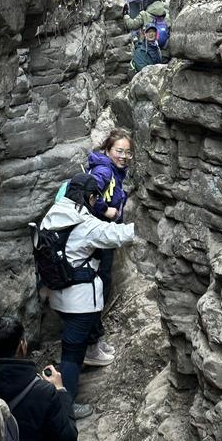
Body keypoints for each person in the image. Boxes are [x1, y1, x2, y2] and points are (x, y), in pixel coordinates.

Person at [39, 173, 134, 418]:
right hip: (80, 301)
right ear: (90, 197)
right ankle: (67, 405)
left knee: (72, 342)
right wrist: (139, 226)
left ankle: (83, 360)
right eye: (95, 199)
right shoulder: (85, 224)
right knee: (72, 353)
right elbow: (117, 235)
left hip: (58, 296)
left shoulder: (53, 215)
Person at [84, 128, 133, 365]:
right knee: (96, 288)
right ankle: (91, 346)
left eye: (127, 152)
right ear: (107, 150)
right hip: (97, 239)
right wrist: (106, 210)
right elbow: (89, 194)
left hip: (102, 238)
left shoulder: (113, 170)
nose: (124, 156)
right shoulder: (104, 170)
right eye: (119, 151)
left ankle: (96, 339)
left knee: (101, 286)